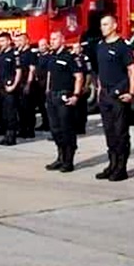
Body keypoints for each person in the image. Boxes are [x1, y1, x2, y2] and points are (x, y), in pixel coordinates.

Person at [95, 15, 134, 182]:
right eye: (101, 25)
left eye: (105, 24)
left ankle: (121, 167)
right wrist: (99, 89)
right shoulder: (100, 46)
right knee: (110, 132)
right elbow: (101, 71)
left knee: (120, 133)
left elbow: (132, 70)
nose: (102, 27)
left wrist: (131, 92)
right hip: (105, 94)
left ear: (114, 26)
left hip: (119, 95)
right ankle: (112, 164)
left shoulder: (122, 46)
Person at [45, 30, 84, 173]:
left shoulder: (70, 57)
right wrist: (48, 90)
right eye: (51, 39)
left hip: (64, 96)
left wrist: (76, 95)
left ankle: (68, 161)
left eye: (55, 39)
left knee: (67, 129)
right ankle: (60, 157)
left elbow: (79, 77)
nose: (52, 41)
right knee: (55, 129)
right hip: (52, 96)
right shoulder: (52, 56)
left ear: (62, 40)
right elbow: (50, 74)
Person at [0, 32, 23, 146]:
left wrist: (14, 86)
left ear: (9, 41)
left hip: (10, 87)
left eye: (3, 41)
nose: (1, 43)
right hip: (1, 87)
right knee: (4, 112)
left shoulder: (14, 54)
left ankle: (12, 137)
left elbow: (18, 71)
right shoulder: (0, 54)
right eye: (0, 41)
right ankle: (6, 135)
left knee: (11, 113)